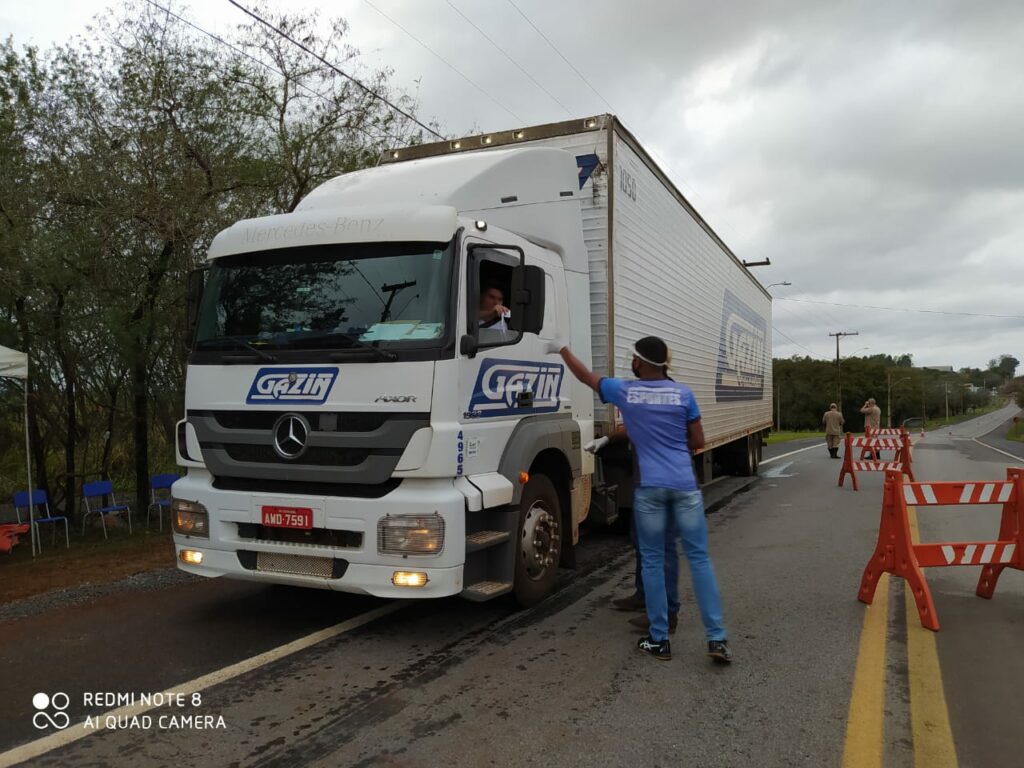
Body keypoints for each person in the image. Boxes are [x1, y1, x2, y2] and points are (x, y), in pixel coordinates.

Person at [550, 334, 730, 663]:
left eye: (632, 357)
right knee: (700, 561)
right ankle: (717, 639)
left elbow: (584, 376)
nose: (629, 362)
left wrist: (562, 348)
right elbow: (698, 439)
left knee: (652, 561)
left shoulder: (627, 392)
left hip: (650, 489)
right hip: (685, 487)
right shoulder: (684, 393)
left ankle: (659, 640)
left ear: (639, 362)